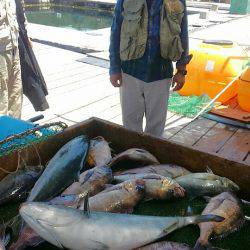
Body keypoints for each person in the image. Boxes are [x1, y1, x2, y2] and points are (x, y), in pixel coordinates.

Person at [109, 0, 192, 137]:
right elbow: (115, 30)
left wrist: (181, 70)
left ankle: (150, 157)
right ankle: (132, 156)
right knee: (130, 127)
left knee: (156, 130)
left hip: (161, 73)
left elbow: (183, 33)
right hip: (130, 71)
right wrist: (114, 67)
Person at [15, 0, 49, 112]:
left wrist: (27, 34)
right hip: (7, 40)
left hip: (18, 36)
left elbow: (21, 13)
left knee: (26, 76)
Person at [0, 0, 22, 118]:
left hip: (14, 45)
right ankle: (1, 131)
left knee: (16, 91)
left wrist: (26, 34)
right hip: (1, 49)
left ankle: (15, 128)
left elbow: (17, 14)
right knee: (1, 92)